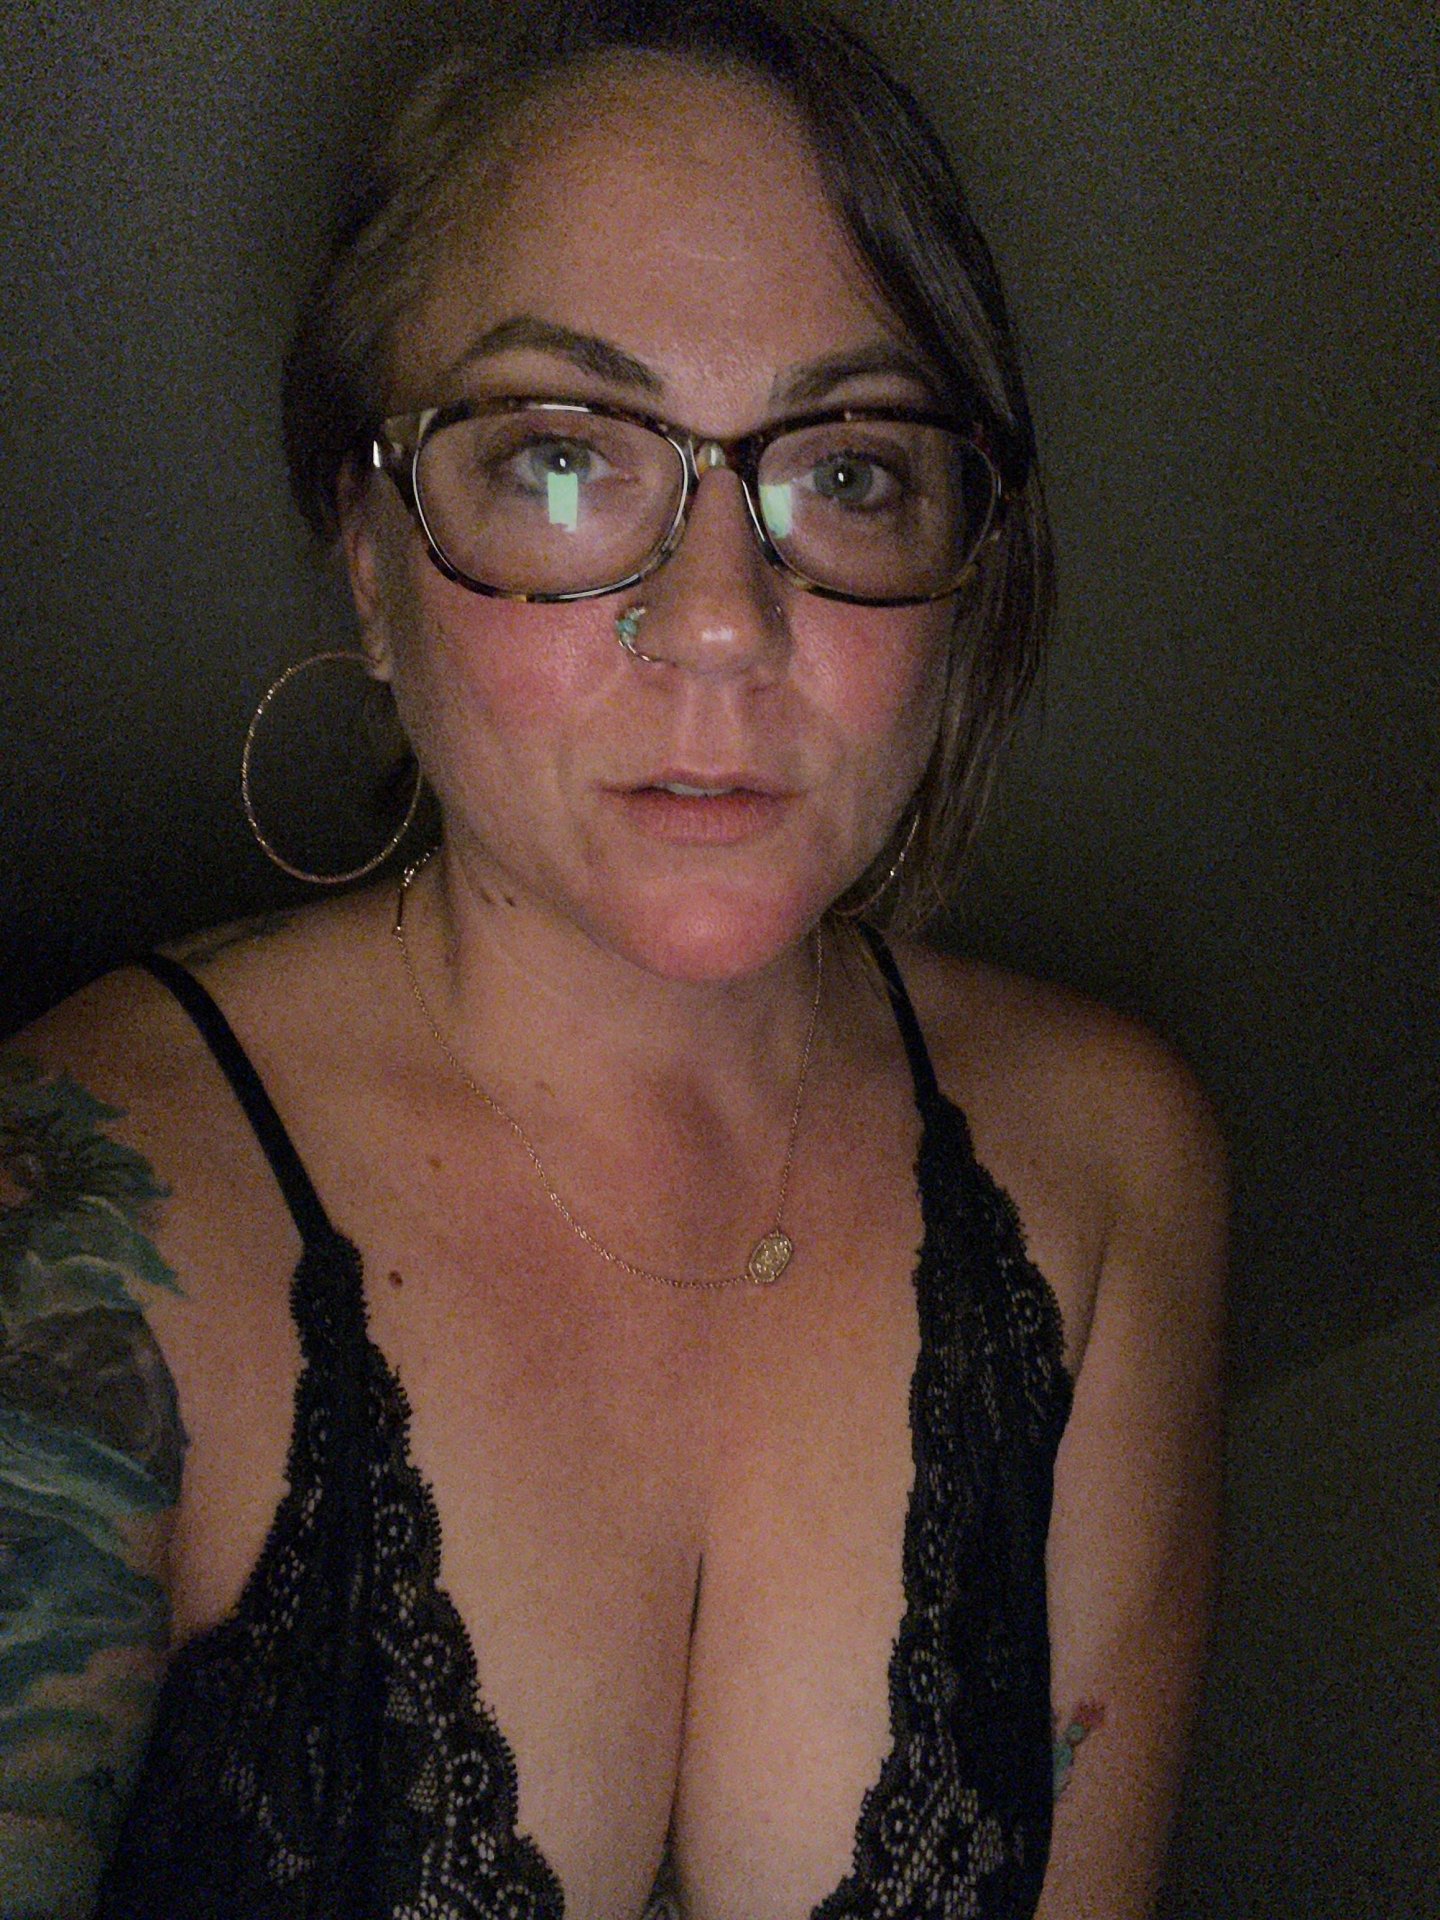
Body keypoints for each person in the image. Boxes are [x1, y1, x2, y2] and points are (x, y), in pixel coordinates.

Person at [0, 2, 1226, 1915]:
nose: (723, 621)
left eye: (850, 470)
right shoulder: (74, 1208)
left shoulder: (1107, 1173)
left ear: (967, 555)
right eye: (563, 460)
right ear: (370, 556)